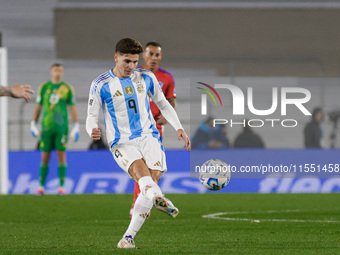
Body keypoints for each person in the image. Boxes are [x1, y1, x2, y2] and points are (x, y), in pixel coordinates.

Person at [86, 38, 190, 249]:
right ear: (116, 57)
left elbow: (163, 103)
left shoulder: (146, 77)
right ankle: (160, 198)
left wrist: (179, 127)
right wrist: (92, 129)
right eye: (126, 61)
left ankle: (128, 238)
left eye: (134, 61)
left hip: (149, 136)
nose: (131, 66)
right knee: (142, 176)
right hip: (121, 141)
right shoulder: (101, 84)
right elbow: (90, 115)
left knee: (150, 182)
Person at [130, 41, 177, 217]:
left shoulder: (167, 78)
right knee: (139, 166)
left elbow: (171, 100)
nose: (154, 58)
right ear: (144, 55)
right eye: (151, 54)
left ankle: (144, 204)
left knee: (152, 169)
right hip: (135, 128)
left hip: (156, 129)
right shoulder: (134, 75)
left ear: (160, 57)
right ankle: (137, 205)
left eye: (157, 54)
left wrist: (168, 115)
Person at [31, 63, 79, 195]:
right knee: (45, 157)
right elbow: (38, 106)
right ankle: (41, 186)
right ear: (51, 72)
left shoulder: (67, 88)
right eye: (55, 70)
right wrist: (33, 123)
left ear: (62, 73)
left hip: (62, 127)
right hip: (46, 127)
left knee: (61, 156)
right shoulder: (44, 87)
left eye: (60, 70)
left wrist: (76, 126)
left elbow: (72, 107)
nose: (57, 72)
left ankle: (62, 186)